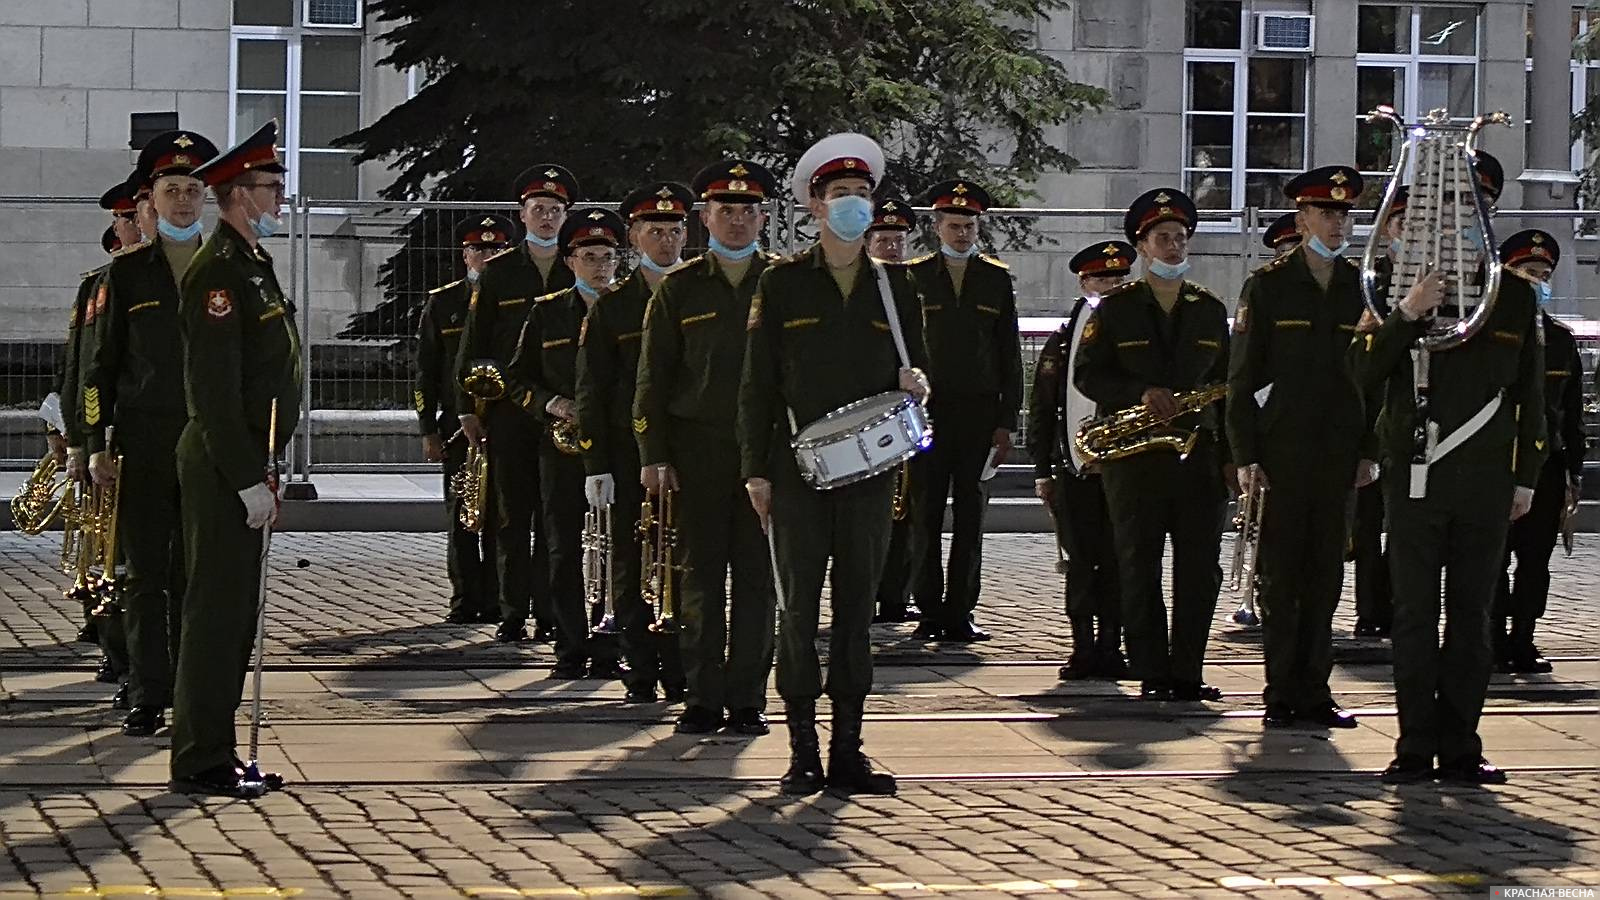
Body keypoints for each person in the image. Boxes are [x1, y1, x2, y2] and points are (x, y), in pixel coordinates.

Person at [740, 133, 931, 795]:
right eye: (839, 196)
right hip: (796, 471)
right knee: (796, 611)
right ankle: (801, 750)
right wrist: (756, 471)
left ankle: (849, 748)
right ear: (814, 208)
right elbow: (757, 384)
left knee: (857, 611)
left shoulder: (895, 287)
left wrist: (916, 385)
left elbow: (915, 370)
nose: (853, 205)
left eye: (861, 195)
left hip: (871, 471)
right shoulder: (784, 283)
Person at [1358, 164, 1544, 786]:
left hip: (1486, 479)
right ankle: (1413, 744)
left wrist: (1526, 476)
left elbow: (1530, 394)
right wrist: (1406, 314)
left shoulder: (1513, 294)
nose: (1462, 222)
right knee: (1412, 614)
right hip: (1415, 474)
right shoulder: (1391, 288)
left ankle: (1462, 742)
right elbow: (1361, 376)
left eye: (1476, 209)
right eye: (1451, 210)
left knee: (1473, 615)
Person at [169, 121, 300, 797]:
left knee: (234, 613)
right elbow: (213, 394)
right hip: (225, 463)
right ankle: (198, 759)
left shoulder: (251, 264)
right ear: (238, 193)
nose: (281, 195)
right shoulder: (220, 273)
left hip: (250, 456)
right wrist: (246, 477)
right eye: (271, 185)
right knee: (216, 612)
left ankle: (215, 749)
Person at [633, 160, 781, 735]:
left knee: (757, 580)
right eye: (725, 210)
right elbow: (655, 376)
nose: (737, 221)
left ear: (764, 217)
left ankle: (747, 698)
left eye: (748, 211)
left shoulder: (780, 282)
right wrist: (653, 454)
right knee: (697, 578)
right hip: (697, 450)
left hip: (764, 454)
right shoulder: (679, 287)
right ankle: (701, 696)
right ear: (704, 219)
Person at [80, 130, 219, 738]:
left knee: (198, 573)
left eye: (193, 189)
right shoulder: (127, 276)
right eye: (172, 189)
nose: (183, 199)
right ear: (152, 200)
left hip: (212, 447)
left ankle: (193, 690)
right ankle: (146, 690)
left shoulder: (231, 268)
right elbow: (97, 370)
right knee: (145, 574)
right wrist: (95, 442)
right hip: (142, 443)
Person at [1072, 188, 1234, 703]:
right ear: (1141, 247)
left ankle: (1188, 668)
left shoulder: (1209, 308)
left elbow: (1228, 384)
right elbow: (1087, 375)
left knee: (1200, 567)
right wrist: (1139, 393)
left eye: (1180, 238)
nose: (1172, 247)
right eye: (1161, 238)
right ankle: (1151, 669)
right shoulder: (1114, 309)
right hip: (1134, 456)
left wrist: (1231, 457)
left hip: (1197, 456)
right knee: (1136, 563)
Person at [1227, 165, 1374, 729]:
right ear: (1302, 217)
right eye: (1327, 213)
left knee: (1326, 576)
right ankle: (1280, 689)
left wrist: (1369, 448)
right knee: (1281, 577)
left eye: (1344, 215)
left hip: (1338, 451)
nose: (1338, 224)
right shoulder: (1267, 286)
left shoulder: (1359, 286)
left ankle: (1316, 688)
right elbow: (1242, 380)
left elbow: (1373, 377)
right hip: (1281, 451)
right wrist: (1245, 455)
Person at [576, 181, 694, 702]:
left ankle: (687, 666)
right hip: (628, 452)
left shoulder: (701, 294)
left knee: (689, 560)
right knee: (631, 559)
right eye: (654, 231)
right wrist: (595, 463)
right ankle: (642, 666)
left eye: (674, 231)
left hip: (693, 448)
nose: (665, 241)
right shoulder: (613, 306)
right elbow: (592, 390)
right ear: (634, 236)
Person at [502, 208, 629, 679]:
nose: (600, 266)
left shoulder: (630, 308)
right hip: (562, 449)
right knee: (564, 547)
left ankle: (613, 642)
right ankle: (571, 644)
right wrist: (552, 403)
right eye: (589, 257)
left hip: (618, 446)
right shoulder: (548, 311)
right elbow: (516, 378)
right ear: (570, 261)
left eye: (608, 257)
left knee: (618, 546)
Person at [455, 164, 579, 643]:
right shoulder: (500, 273)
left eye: (555, 210)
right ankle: (512, 611)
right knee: (511, 515)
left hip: (561, 412)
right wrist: (468, 407)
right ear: (521, 215)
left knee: (556, 516)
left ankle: (550, 612)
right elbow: (474, 344)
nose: (546, 218)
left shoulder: (577, 266)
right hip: (509, 410)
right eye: (538, 210)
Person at [906, 180, 1022, 642]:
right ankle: (929, 609)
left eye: (969, 225)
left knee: (971, 514)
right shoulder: (914, 276)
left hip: (978, 412)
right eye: (953, 225)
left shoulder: (994, 278)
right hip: (928, 412)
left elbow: (1008, 353)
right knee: (925, 512)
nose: (962, 233)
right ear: (936, 227)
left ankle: (961, 611)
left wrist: (1006, 419)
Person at [1028, 241, 1133, 681]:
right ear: (1084, 283)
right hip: (1073, 466)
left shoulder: (1134, 333)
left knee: (1118, 561)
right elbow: (1043, 405)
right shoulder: (1063, 339)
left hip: (1121, 467)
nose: (1110, 287)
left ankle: (1113, 645)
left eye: (1118, 280)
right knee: (1081, 560)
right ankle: (1082, 647)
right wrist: (1042, 468)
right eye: (1101, 280)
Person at [1493, 229, 1584, 674]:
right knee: (1493, 558)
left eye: (1544, 274)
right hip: (1496, 461)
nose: (1537, 281)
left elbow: (1570, 413)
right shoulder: (1493, 332)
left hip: (1545, 464)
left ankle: (1523, 637)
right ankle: (1490, 638)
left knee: (1535, 560)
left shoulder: (1561, 339)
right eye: (1528, 273)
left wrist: (1574, 473)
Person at [417, 215, 514, 625]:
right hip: (457, 427)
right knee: (462, 513)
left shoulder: (513, 300)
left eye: (495, 251)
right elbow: (425, 370)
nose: (486, 257)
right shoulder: (444, 302)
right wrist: (426, 428)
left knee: (500, 515)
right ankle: (463, 598)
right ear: (465, 255)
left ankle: (496, 598)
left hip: (505, 421)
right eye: (479, 250)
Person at [1351, 187, 1409, 638]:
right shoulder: (1367, 281)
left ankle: (1399, 603)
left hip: (1413, 414)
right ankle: (1370, 610)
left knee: (1407, 525)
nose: (1407, 232)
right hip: (1370, 411)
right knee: (1367, 522)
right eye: (1400, 223)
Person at [867, 196, 923, 624]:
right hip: (868, 407)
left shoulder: (910, 284)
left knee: (903, 508)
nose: (891, 247)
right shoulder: (866, 282)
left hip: (904, 406)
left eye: (898, 240)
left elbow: (921, 350)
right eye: (883, 239)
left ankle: (897, 594)